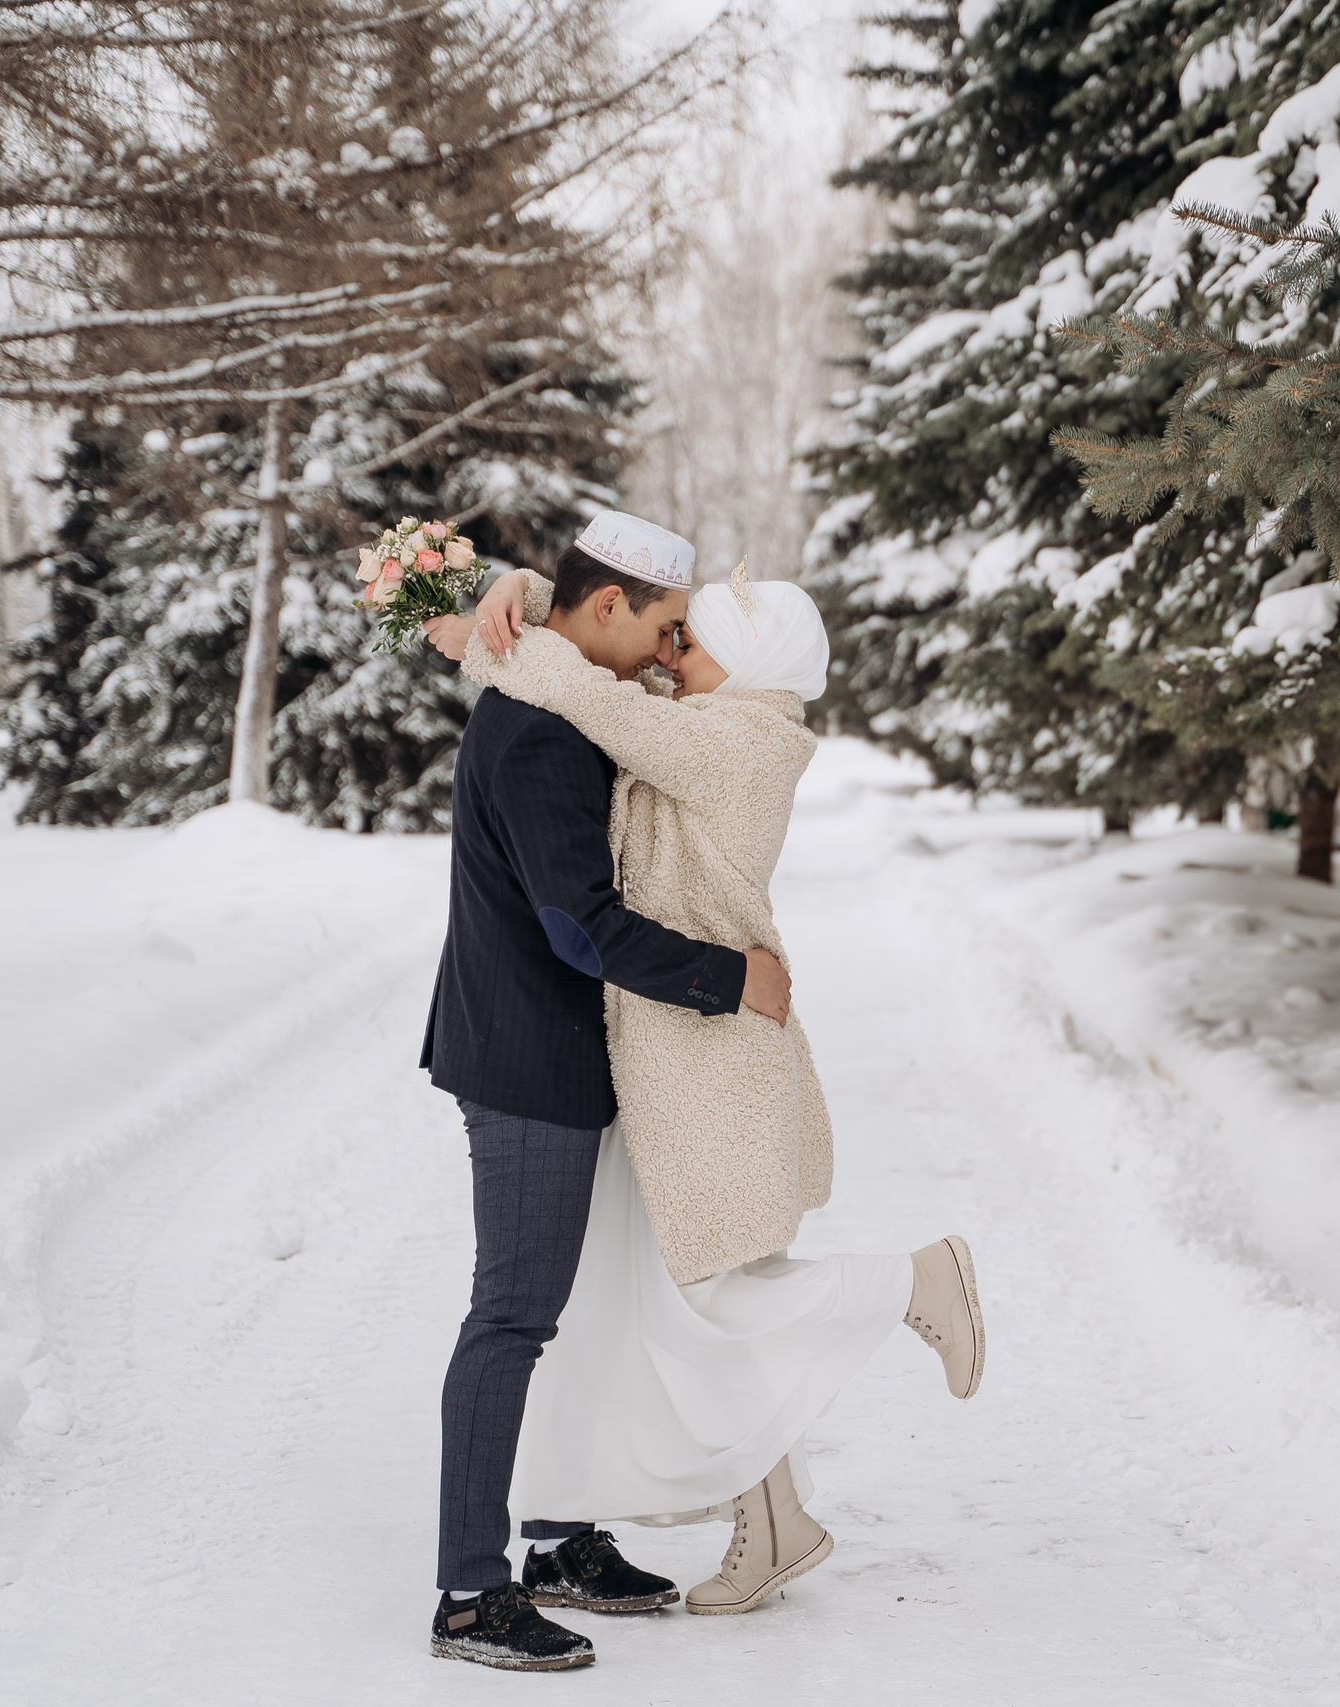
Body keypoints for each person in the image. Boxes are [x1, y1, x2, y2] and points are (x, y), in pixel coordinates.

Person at [417, 509, 796, 1673]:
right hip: (528, 1056)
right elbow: (579, 929)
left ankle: (558, 1537)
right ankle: (471, 1594)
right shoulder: (541, 728)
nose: (669, 655)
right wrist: (729, 978)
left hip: (565, 1054)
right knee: (515, 1314)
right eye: (665, 628)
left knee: (566, 1312)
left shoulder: (568, 692)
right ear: (606, 608)